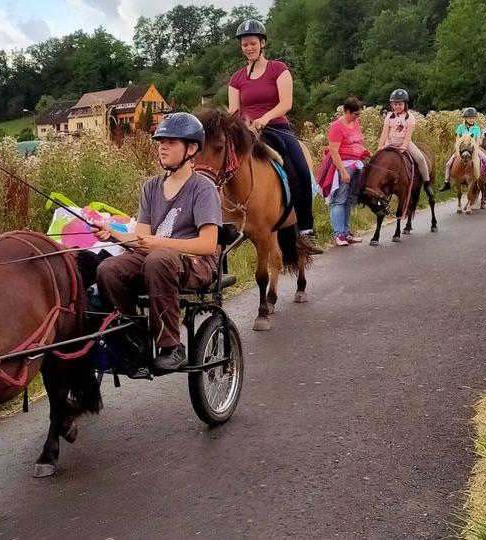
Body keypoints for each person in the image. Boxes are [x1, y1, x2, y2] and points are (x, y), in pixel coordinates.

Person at [94, 113, 221, 372]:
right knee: (108, 269)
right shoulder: (151, 187)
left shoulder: (203, 188)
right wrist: (112, 233)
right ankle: (133, 341)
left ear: (192, 148)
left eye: (171, 142)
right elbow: (142, 239)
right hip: (157, 259)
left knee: (158, 259)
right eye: (160, 141)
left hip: (196, 263)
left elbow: (208, 245)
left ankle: (171, 346)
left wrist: (159, 244)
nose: (162, 146)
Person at [227, 19, 323, 254]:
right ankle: (225, 225)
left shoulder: (278, 69)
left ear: (262, 44)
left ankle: (306, 231)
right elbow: (233, 111)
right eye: (244, 45)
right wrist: (243, 125)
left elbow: (286, 103)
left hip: (276, 128)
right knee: (220, 167)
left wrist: (264, 119)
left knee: (299, 168)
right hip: (247, 132)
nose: (248, 48)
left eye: (252, 43)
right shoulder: (236, 78)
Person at [324, 97, 369, 246]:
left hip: (356, 164)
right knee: (339, 200)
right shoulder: (337, 127)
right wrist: (342, 171)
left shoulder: (355, 123)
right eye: (356, 114)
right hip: (344, 166)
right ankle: (338, 234)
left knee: (349, 200)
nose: (357, 117)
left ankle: (346, 232)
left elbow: (357, 142)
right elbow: (333, 151)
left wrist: (364, 152)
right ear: (347, 111)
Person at [377, 88, 431, 186]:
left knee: (421, 159)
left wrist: (404, 146)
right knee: (377, 159)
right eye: (395, 104)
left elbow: (408, 134)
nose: (397, 106)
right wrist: (380, 147)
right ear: (392, 105)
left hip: (405, 143)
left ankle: (427, 183)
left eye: (400, 104)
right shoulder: (388, 117)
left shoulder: (410, 117)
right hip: (390, 143)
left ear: (405, 104)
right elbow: (384, 133)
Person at [441, 107, 486, 191]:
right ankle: (446, 182)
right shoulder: (460, 127)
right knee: (448, 164)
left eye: (473, 118)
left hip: (474, 148)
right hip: (462, 149)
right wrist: (459, 146)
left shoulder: (477, 128)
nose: (472, 120)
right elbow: (457, 138)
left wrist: (474, 147)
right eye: (470, 118)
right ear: (465, 118)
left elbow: (478, 140)